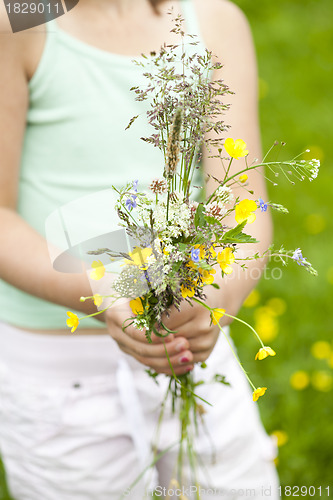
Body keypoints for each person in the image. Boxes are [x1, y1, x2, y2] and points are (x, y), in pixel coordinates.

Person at [0, 0, 279, 498]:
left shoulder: (212, 19)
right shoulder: (19, 20)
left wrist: (215, 302)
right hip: (60, 379)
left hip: (189, 343)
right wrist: (111, 291)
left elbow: (243, 205)